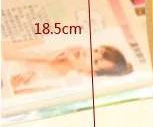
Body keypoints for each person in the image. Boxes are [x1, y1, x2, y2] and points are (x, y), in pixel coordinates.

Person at [2, 40, 133, 94]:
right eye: (95, 50)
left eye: (95, 61)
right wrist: (44, 56)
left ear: (91, 73)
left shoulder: (53, 86)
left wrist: (11, 85)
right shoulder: (49, 43)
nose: (87, 53)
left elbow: (8, 100)